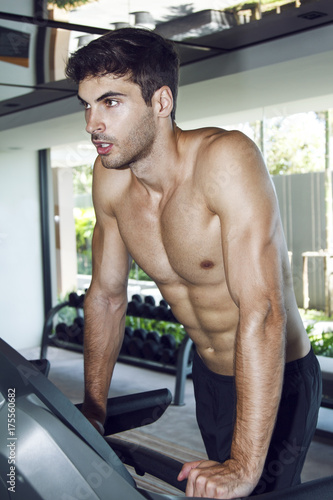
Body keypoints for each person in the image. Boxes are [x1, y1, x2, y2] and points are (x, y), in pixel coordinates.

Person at [65, 27, 322, 499]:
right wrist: (95, 409)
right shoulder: (110, 179)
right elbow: (106, 295)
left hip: (277, 375)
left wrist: (243, 466)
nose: (91, 123)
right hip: (207, 374)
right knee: (210, 489)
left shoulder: (225, 160)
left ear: (160, 102)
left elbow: (262, 311)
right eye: (86, 104)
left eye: (110, 102)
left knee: (259, 490)